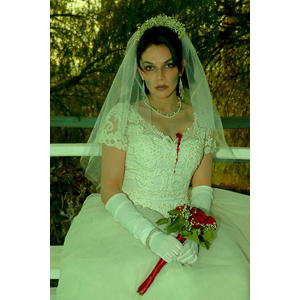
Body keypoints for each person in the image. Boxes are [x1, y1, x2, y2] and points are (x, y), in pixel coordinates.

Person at [56, 15, 250, 300]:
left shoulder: (202, 121)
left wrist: (193, 235)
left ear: (181, 67)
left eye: (168, 65)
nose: (159, 77)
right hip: (128, 222)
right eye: (150, 68)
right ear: (140, 71)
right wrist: (152, 237)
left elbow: (203, 187)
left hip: (184, 220)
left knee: (234, 275)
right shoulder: (123, 117)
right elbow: (110, 188)